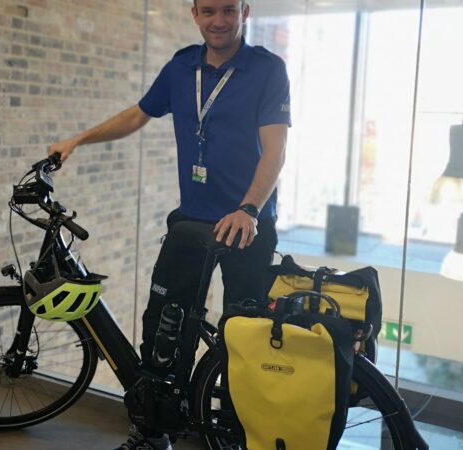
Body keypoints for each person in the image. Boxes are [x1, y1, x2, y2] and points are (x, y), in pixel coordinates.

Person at [48, 0, 290, 448]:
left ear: (245, 12)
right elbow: (138, 114)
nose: (219, 21)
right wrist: (79, 138)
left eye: (229, 10)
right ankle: (153, 430)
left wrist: (250, 209)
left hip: (247, 225)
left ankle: (237, 436)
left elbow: (274, 151)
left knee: (245, 336)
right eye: (209, 11)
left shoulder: (266, 69)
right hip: (191, 225)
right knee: (163, 327)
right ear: (194, 14)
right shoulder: (182, 67)